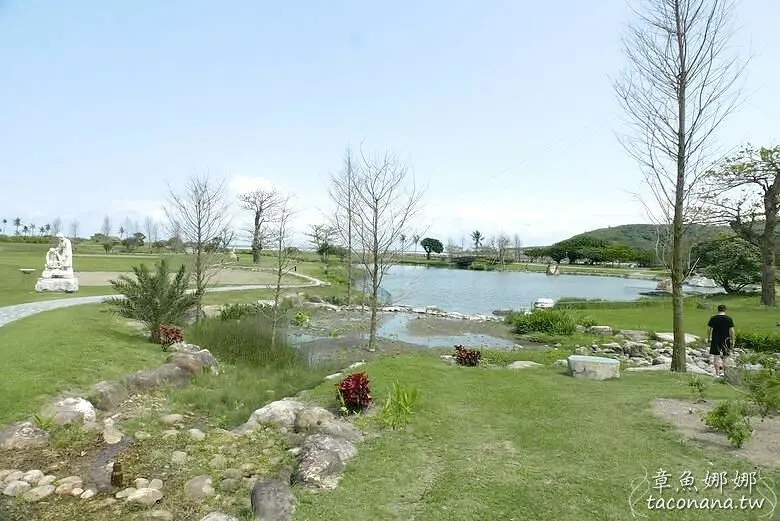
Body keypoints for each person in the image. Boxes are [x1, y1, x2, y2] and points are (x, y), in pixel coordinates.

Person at [707, 304, 735, 377]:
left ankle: (717, 374)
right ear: (725, 310)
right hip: (726, 339)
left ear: (718, 310)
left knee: (716, 356)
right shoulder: (728, 319)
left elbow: (709, 329)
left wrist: (709, 337)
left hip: (715, 338)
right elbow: (732, 331)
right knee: (725, 357)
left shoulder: (713, 318)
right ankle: (725, 374)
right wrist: (733, 340)